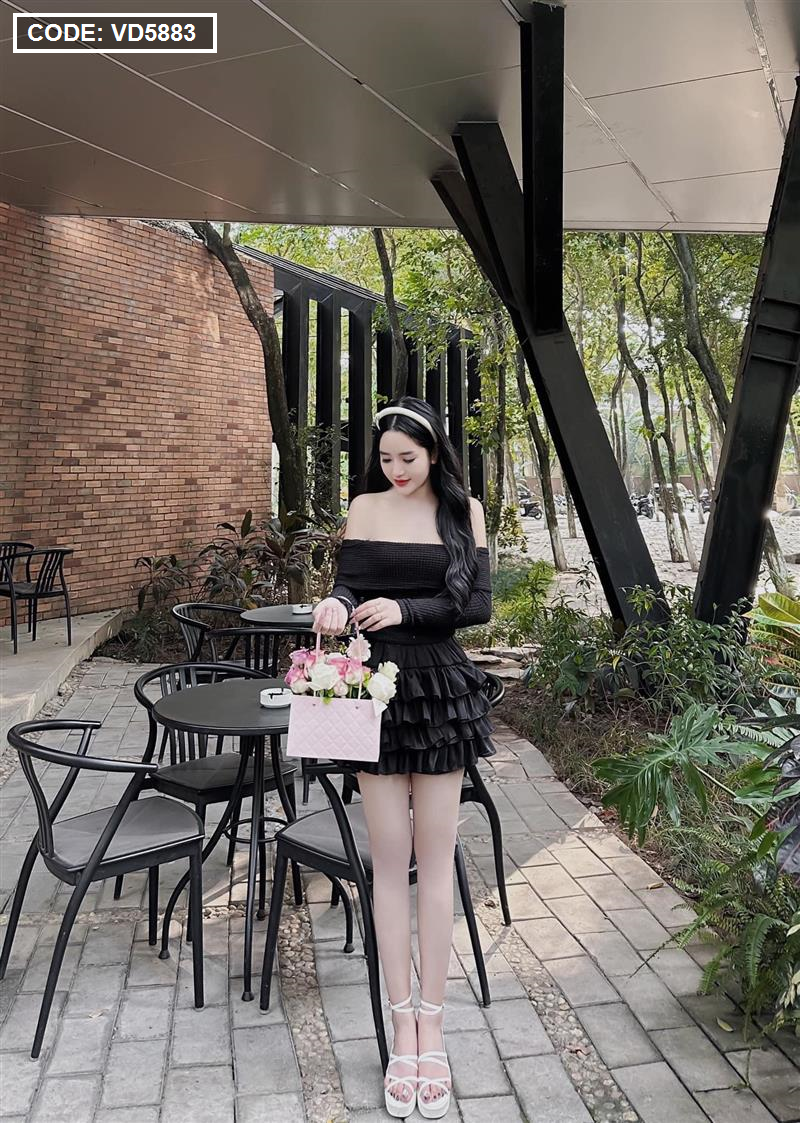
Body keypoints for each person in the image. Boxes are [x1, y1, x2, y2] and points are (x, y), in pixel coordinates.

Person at [312, 396, 494, 1119]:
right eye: (386, 458)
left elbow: (476, 606)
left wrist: (405, 609)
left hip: (439, 691)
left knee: (436, 862)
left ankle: (434, 1030)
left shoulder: (463, 512)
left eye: (408, 459)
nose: (396, 470)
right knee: (388, 864)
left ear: (434, 453)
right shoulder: (364, 507)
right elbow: (349, 582)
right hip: (372, 695)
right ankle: (400, 1027)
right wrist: (335, 603)